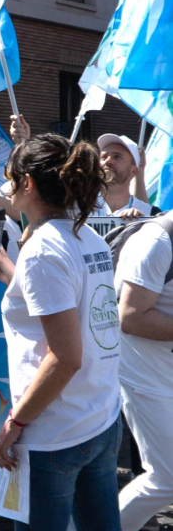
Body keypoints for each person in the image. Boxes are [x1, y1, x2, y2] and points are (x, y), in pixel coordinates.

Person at [0, 134, 122, 531]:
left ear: (27, 183)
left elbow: (65, 357)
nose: (7, 186)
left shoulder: (44, 250)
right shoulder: (87, 236)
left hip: (55, 431)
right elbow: (74, 307)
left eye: (11, 177)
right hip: (100, 416)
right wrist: (13, 274)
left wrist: (14, 424)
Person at [113, 212, 173, 531]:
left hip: (164, 371)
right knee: (166, 478)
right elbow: (131, 317)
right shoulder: (156, 242)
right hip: (145, 377)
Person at [96, 134, 157, 219]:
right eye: (104, 157)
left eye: (117, 157)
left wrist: (141, 223)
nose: (108, 161)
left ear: (133, 171)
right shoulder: (80, 208)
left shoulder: (150, 213)